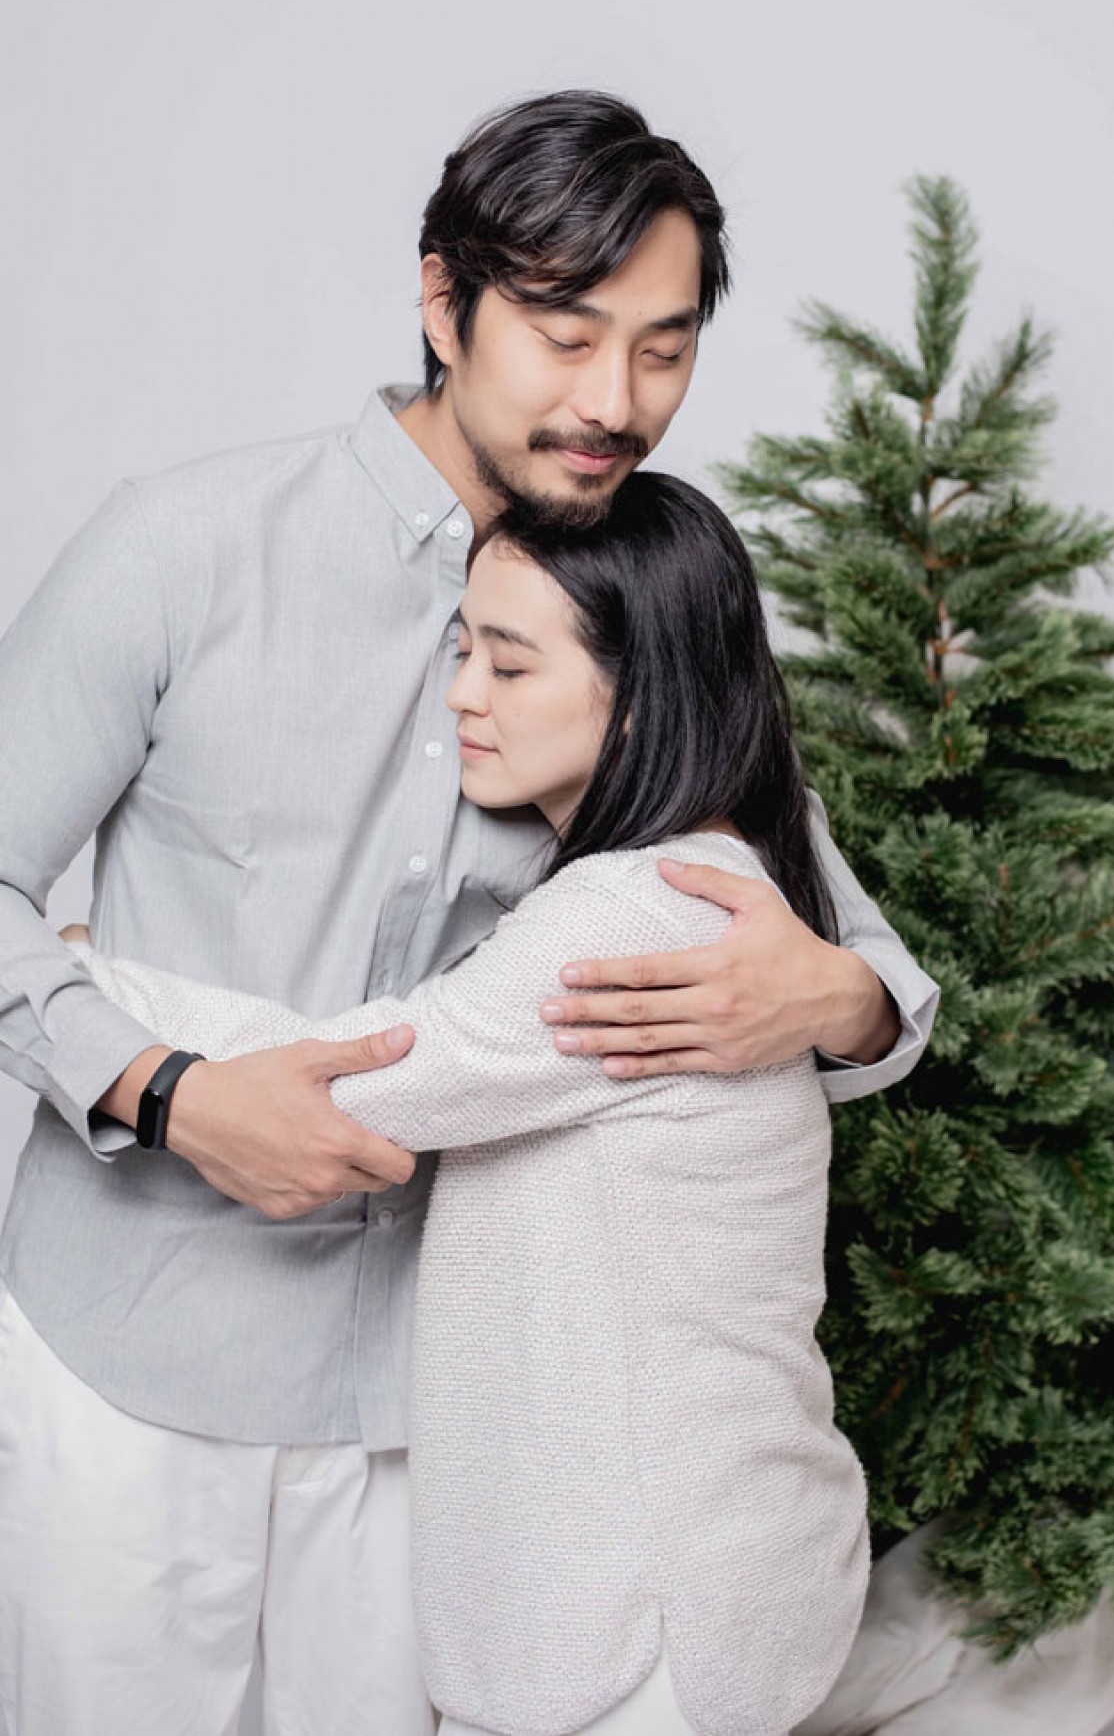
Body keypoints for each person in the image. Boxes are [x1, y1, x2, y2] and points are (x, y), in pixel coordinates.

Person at [0, 90, 938, 1735]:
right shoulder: (184, 545)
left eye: (664, 348)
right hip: (131, 1360)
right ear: (445, 303)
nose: (615, 401)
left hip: (436, 1427)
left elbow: (864, 978)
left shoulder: (648, 612)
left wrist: (829, 1002)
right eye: (567, 337)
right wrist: (162, 1090)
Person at [69, 471, 873, 1736]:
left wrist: (87, 975)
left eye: (507, 665)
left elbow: (352, 1073)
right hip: (710, 1570)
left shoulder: (636, 912)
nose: (460, 697)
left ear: (636, 696)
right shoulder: (712, 872)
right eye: (460, 652)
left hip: (654, 1608)